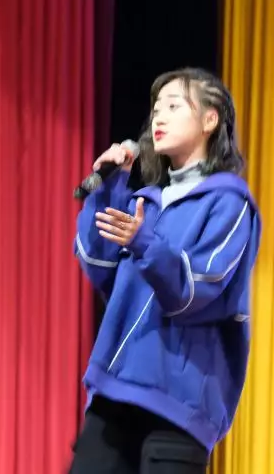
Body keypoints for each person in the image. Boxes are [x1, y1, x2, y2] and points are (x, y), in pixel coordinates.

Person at [70, 68, 262, 473]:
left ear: (210, 120)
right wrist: (108, 188)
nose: (159, 117)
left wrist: (145, 243)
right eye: (156, 109)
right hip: (114, 390)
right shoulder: (145, 202)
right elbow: (100, 266)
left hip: (179, 403)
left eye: (174, 106)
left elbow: (197, 290)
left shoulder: (229, 202)